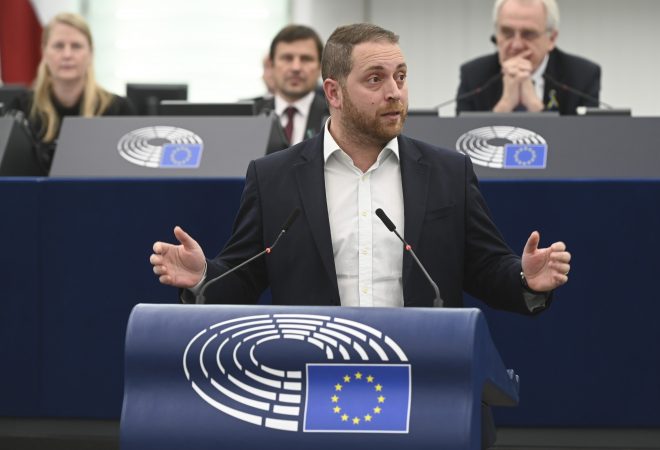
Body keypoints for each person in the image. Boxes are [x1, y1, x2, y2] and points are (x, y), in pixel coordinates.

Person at [150, 23, 571, 316]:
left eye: (401, 77)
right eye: (375, 79)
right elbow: (245, 277)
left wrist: (524, 277)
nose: (394, 92)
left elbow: (484, 268)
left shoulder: (448, 172)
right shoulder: (274, 177)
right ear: (333, 93)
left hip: (424, 374)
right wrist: (203, 276)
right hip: (314, 378)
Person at [7, 12, 134, 175]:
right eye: (58, 46)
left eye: (76, 46)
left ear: (90, 53)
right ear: (44, 52)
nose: (67, 55)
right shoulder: (20, 109)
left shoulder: (118, 109)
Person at [456, 0, 600, 115]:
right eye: (507, 33)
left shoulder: (582, 76)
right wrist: (504, 105)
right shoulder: (474, 76)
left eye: (528, 34)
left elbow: (584, 138)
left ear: (552, 39)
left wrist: (535, 106)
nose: (516, 45)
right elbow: (461, 138)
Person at [252, 25, 329, 146]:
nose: (296, 68)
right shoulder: (250, 116)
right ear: (271, 65)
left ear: (320, 67)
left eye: (306, 59)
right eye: (287, 58)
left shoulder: (335, 117)